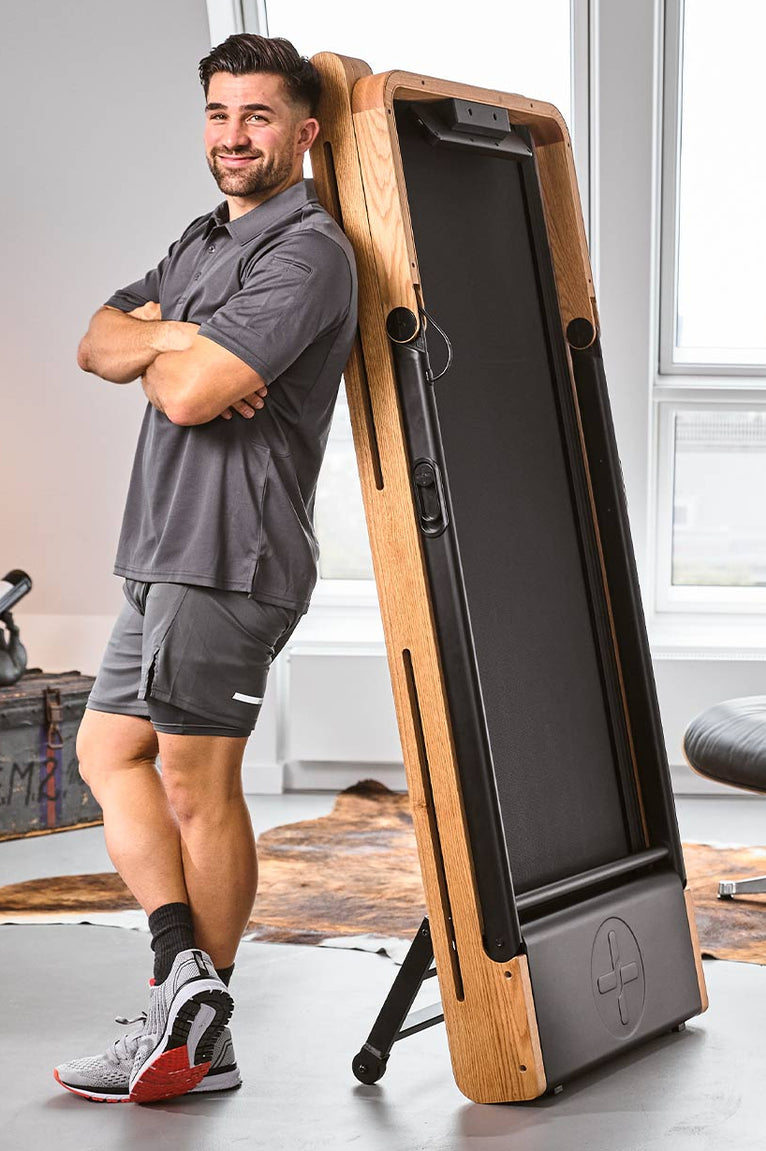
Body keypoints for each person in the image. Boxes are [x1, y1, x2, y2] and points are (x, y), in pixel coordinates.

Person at [53, 33, 357, 1104]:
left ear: (303, 133)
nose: (233, 135)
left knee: (196, 784)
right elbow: (95, 341)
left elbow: (181, 394)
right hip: (158, 548)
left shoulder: (309, 252)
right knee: (106, 750)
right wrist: (184, 339)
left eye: (257, 116)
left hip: (232, 552)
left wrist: (165, 345)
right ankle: (185, 983)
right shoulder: (200, 238)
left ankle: (199, 1033)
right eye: (220, 114)